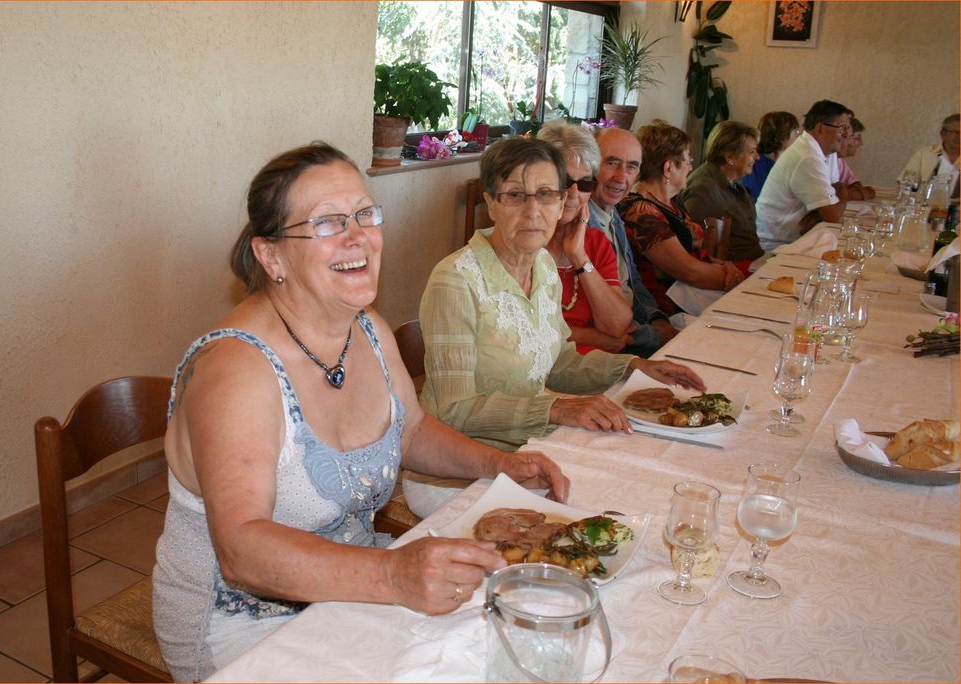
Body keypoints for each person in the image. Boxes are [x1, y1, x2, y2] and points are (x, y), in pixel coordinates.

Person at [152, 142, 570, 681]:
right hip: (245, 626)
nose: (357, 236)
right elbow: (241, 549)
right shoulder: (236, 369)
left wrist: (498, 465)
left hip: (349, 588)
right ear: (271, 255)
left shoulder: (365, 326)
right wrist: (392, 574)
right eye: (325, 223)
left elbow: (411, 430)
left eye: (364, 214)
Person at [418, 137, 705, 454]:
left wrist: (632, 367)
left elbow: (558, 362)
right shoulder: (456, 281)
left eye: (546, 195)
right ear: (491, 203)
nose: (533, 211)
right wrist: (555, 409)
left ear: (561, 202)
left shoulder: (542, 265)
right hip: (462, 459)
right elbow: (453, 409)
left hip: (529, 443)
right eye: (515, 195)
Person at [619, 120, 744, 316]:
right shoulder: (642, 212)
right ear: (669, 168)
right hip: (666, 309)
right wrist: (730, 275)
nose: (690, 168)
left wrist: (723, 265)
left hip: (692, 296)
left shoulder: (671, 201)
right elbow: (689, 271)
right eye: (688, 161)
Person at [536, 120, 635, 354]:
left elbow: (617, 324)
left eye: (585, 183)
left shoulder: (594, 243)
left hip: (598, 369)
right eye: (564, 181)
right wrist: (596, 337)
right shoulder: (523, 244)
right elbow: (524, 330)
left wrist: (579, 257)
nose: (573, 194)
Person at [587, 126, 678, 356]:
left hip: (638, 329)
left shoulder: (613, 214)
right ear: (591, 166)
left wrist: (656, 318)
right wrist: (656, 335)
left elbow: (633, 283)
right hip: (612, 345)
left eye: (631, 167)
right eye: (611, 163)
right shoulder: (579, 223)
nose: (621, 177)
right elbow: (596, 320)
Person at [755, 100, 851, 251]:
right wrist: (843, 190)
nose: (846, 134)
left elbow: (832, 198)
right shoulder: (808, 156)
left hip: (795, 239)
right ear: (820, 128)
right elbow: (832, 214)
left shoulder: (822, 151)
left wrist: (819, 213)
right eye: (842, 128)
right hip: (774, 245)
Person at [681, 120, 764, 273]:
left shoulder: (731, 181)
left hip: (753, 262)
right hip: (733, 272)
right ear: (730, 157)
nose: (758, 157)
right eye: (752, 152)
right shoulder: (703, 190)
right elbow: (692, 248)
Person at [742, 111, 800, 200]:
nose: (799, 135)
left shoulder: (792, 161)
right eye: (796, 131)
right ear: (782, 136)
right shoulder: (755, 164)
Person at [899, 113, 960, 189]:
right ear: (943, 134)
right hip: (926, 200)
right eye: (957, 133)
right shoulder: (925, 154)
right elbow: (905, 183)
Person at [835, 117, 875, 201]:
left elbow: (855, 183)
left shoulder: (839, 160)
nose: (861, 143)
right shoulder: (823, 157)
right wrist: (863, 194)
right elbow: (831, 195)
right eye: (858, 138)